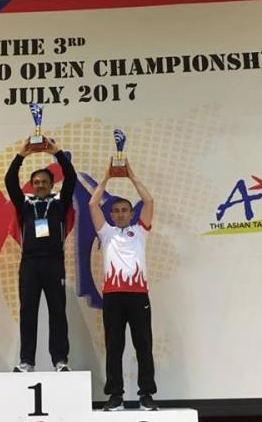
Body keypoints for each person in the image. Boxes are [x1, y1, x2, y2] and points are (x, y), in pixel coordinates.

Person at [89, 161, 159, 411]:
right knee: (115, 347)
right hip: (113, 298)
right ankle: (116, 395)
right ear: (111, 215)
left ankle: (146, 395)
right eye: (116, 210)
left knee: (143, 345)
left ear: (131, 214)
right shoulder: (105, 233)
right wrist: (106, 176)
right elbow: (92, 204)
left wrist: (131, 176)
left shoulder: (140, 232)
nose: (119, 213)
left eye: (124, 210)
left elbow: (149, 202)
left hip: (138, 296)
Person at [5, 137, 77, 372]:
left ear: (51, 184)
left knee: (58, 311)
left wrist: (57, 153)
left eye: (44, 182)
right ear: (31, 185)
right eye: (36, 182)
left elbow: (72, 178)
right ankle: (27, 361)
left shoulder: (59, 202)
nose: (39, 185)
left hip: (54, 263)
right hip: (29, 264)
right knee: (28, 312)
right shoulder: (24, 203)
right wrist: (21, 155)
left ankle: (60, 360)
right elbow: (9, 181)